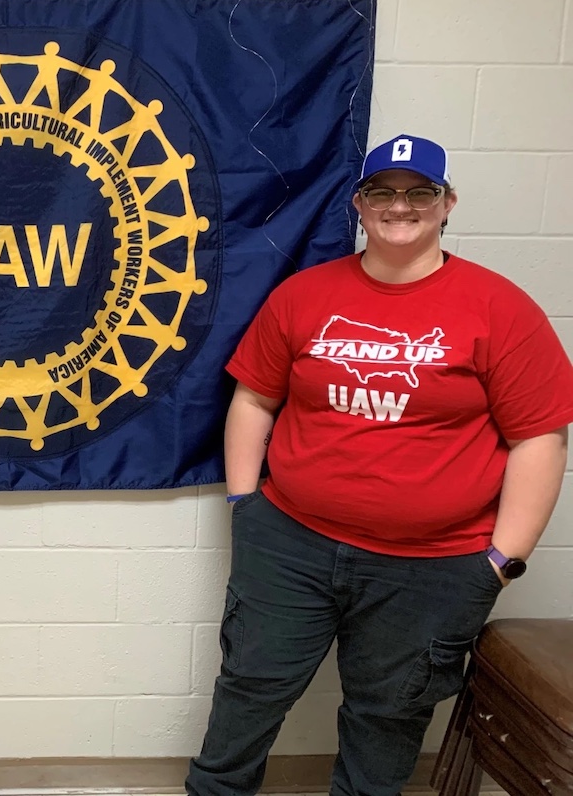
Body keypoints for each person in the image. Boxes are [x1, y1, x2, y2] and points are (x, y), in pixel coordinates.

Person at [186, 133, 573, 796]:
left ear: (447, 203)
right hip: (289, 545)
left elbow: (540, 439)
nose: (401, 207)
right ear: (359, 205)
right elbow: (254, 397)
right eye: (382, 194)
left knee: (387, 716)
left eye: (419, 192)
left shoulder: (499, 309)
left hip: (433, 567)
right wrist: (246, 507)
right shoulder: (303, 296)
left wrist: (501, 561)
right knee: (249, 689)